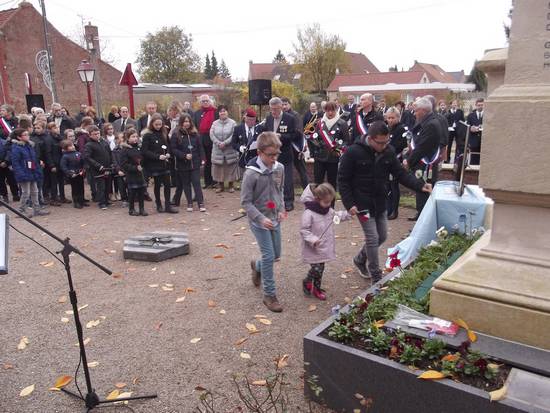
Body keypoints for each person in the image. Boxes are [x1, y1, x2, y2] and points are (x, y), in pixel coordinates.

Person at [338, 121, 432, 282]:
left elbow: (400, 173)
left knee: (382, 236)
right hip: (361, 204)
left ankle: (360, 259)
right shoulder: (353, 152)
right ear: (370, 139)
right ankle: (376, 277)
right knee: (372, 238)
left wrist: (420, 185)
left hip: (380, 202)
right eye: (380, 142)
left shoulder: (388, 151)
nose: (384, 145)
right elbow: (343, 180)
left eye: (386, 142)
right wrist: (349, 203)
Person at [241, 132, 287, 312]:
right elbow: (245, 202)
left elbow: (280, 190)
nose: (274, 158)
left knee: (275, 255)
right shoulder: (251, 174)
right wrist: (260, 218)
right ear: (259, 152)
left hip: (275, 217)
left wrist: (281, 208)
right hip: (258, 221)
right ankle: (269, 295)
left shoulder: (279, 168)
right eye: (270, 155)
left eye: (277, 154)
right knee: (268, 255)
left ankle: (257, 266)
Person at [299, 183, 350, 300]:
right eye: (326, 202)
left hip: (323, 246)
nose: (328, 205)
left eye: (330, 202)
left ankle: (316, 288)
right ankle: (307, 281)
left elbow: (337, 216)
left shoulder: (328, 210)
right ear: (317, 199)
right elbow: (304, 230)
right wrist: (313, 239)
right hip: (313, 247)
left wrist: (348, 214)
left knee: (320, 269)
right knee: (317, 269)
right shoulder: (308, 213)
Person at [403, 97, 441, 220]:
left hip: (426, 163)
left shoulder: (431, 124)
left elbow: (422, 147)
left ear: (423, 110)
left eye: (416, 111)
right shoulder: (425, 122)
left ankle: (423, 220)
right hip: (421, 162)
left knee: (424, 190)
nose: (414, 114)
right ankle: (420, 215)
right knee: (420, 189)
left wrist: (409, 161)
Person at [260, 97, 300, 211]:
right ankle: (272, 201)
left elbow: (296, 135)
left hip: (285, 153)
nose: (273, 112)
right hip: (271, 155)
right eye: (271, 109)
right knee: (271, 178)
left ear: (281, 107)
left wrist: (281, 136)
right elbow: (265, 131)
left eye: (276, 109)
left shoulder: (290, 118)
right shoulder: (268, 118)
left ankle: (288, 202)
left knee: (287, 179)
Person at [308, 101, 349, 198]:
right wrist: (316, 148)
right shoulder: (318, 122)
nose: (330, 113)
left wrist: (338, 150)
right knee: (317, 183)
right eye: (328, 110)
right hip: (319, 157)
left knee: (332, 183)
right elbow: (311, 136)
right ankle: (318, 203)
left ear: (336, 110)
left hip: (333, 158)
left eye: (332, 110)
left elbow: (346, 141)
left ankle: (331, 205)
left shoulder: (342, 123)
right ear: (324, 110)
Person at [141, 113, 178, 213]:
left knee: (167, 184)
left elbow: (168, 146)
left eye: (160, 124)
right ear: (152, 124)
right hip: (155, 164)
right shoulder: (147, 135)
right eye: (156, 124)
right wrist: (157, 156)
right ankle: (158, 204)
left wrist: (168, 153)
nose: (158, 126)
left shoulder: (164, 133)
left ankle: (168, 205)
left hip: (165, 163)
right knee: (157, 185)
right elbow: (144, 151)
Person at [10, 128, 50, 217]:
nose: (28, 136)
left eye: (28, 134)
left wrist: (38, 166)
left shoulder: (29, 146)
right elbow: (15, 163)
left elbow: (33, 159)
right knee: (25, 192)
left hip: (32, 171)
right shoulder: (16, 148)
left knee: (35, 191)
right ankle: (21, 210)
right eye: (25, 135)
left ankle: (37, 209)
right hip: (24, 173)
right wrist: (21, 174)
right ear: (19, 137)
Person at [170, 114, 206, 211]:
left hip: (195, 163)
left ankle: (201, 203)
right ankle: (189, 203)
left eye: (188, 121)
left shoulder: (195, 134)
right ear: (181, 123)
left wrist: (203, 159)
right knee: (186, 184)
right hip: (183, 163)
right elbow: (173, 149)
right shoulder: (176, 134)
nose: (187, 123)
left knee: (196, 183)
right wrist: (184, 155)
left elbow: (200, 147)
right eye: (185, 121)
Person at [385, 107, 409, 220]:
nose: (390, 120)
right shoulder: (387, 128)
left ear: (398, 118)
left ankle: (394, 211)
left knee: (394, 186)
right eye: (388, 118)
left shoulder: (401, 129)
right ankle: (387, 209)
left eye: (392, 118)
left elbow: (400, 145)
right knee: (387, 186)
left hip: (396, 160)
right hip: (386, 160)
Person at [210, 105, 238, 193]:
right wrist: (218, 143)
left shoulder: (233, 123)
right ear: (218, 113)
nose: (222, 113)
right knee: (219, 168)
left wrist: (225, 143)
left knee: (230, 167)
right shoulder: (214, 123)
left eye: (224, 111)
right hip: (218, 149)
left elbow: (234, 134)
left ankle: (231, 185)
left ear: (227, 112)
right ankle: (220, 186)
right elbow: (211, 134)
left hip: (229, 149)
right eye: (221, 111)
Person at [120, 129, 148, 216]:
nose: (135, 138)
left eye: (136, 136)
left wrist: (143, 165)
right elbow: (124, 164)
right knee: (132, 192)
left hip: (141, 174)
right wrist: (135, 168)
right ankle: (131, 209)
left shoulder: (139, 147)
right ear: (128, 138)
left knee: (141, 191)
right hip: (131, 175)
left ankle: (142, 209)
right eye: (133, 137)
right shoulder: (125, 150)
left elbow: (143, 159)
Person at [83, 125, 112, 210]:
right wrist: (98, 166)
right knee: (101, 186)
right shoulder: (89, 145)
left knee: (108, 185)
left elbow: (110, 153)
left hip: (107, 167)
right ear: (90, 135)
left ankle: (106, 200)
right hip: (98, 169)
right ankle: (102, 202)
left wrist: (111, 163)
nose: (97, 135)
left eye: (98, 133)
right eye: (94, 134)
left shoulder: (104, 142)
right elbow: (87, 157)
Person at [282, 97, 308, 190]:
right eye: (282, 104)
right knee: (286, 171)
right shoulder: (281, 116)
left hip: (296, 147)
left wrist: (286, 136)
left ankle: (307, 191)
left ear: (290, 104)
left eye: (286, 104)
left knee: (302, 170)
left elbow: (298, 131)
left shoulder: (295, 115)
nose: (284, 106)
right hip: (285, 147)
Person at [193, 95, 218, 189]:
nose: (205, 102)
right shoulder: (197, 113)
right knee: (205, 161)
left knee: (214, 161)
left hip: (213, 140)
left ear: (210, 101)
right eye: (203, 101)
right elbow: (195, 127)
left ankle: (215, 181)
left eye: (207, 101)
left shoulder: (215, 112)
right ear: (200, 102)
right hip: (201, 141)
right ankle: (207, 182)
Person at [46, 122, 69, 204]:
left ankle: (62, 197)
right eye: (54, 128)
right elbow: (48, 153)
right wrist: (51, 165)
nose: (57, 129)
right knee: (54, 182)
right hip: (54, 163)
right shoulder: (48, 139)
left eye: (57, 127)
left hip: (61, 162)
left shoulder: (60, 138)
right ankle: (54, 198)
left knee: (61, 181)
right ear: (50, 130)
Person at [60, 140, 87, 209]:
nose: (72, 147)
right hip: (73, 175)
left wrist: (84, 169)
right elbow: (63, 167)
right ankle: (76, 202)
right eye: (70, 146)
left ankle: (81, 200)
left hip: (80, 173)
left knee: (81, 187)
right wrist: (69, 173)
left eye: (72, 145)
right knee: (75, 188)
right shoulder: (65, 156)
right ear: (66, 148)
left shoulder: (78, 153)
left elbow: (83, 162)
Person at [111, 133, 129, 207]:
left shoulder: (128, 148)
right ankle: (124, 200)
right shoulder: (115, 150)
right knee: (121, 187)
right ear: (117, 140)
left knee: (130, 186)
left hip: (128, 171)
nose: (122, 139)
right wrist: (118, 170)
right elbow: (114, 161)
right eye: (121, 138)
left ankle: (131, 199)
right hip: (120, 172)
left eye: (123, 137)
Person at [466, 98, 484, 165]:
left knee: (483, 159)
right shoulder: (470, 115)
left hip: (483, 140)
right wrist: (471, 128)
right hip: (474, 140)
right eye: (479, 105)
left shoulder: (487, 115)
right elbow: (467, 126)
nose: (480, 107)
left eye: (482, 105)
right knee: (473, 159)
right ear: (476, 105)